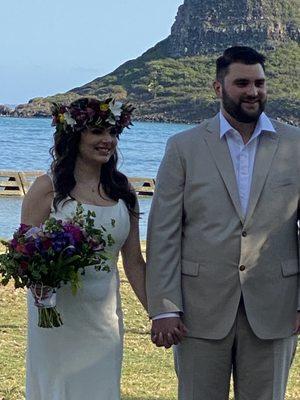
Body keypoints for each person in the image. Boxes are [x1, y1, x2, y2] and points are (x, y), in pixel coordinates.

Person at [146, 46, 300, 400]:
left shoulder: (295, 144)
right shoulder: (183, 147)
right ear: (218, 88)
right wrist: (165, 307)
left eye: (260, 83)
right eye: (242, 83)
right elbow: (164, 232)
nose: (253, 91)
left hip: (275, 308)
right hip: (199, 311)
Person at [22, 97, 147, 400]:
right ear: (74, 135)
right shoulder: (47, 188)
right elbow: (23, 253)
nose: (107, 141)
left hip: (103, 321)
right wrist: (43, 277)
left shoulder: (123, 192)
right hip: (56, 318)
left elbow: (134, 263)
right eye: (97, 132)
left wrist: (159, 313)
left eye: (113, 133)